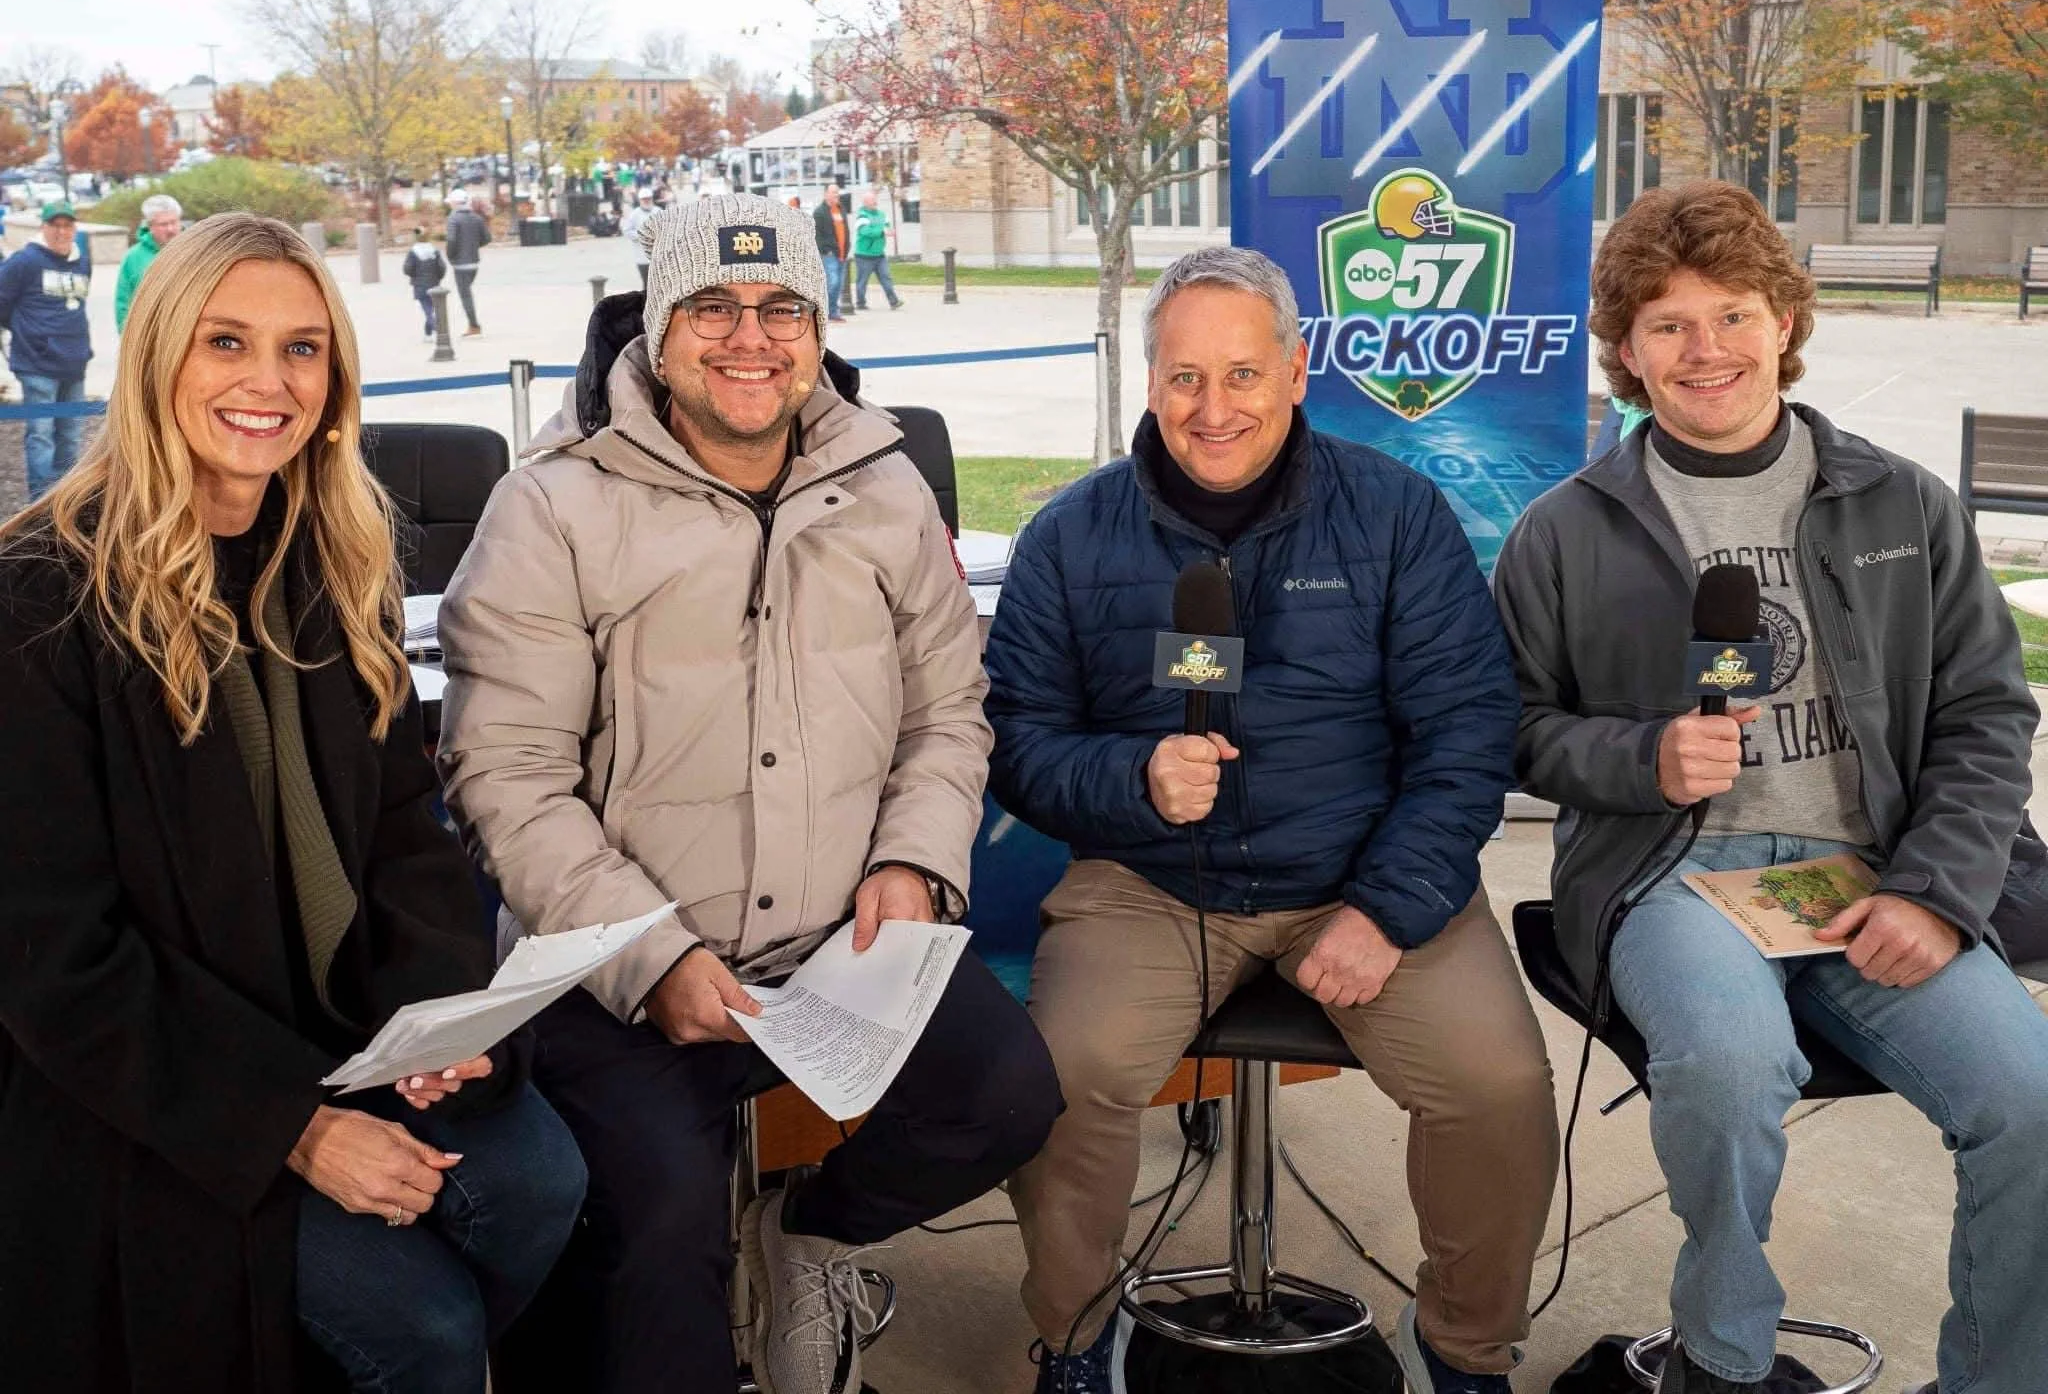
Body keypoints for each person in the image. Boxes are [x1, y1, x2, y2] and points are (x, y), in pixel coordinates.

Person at [437, 192, 1062, 1394]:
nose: (750, 337)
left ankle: (811, 1235)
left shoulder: (884, 490)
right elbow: (506, 776)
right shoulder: (551, 507)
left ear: (818, 326)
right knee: (655, 1244)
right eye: (712, 306)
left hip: (842, 944)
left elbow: (946, 714)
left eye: (782, 307)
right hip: (615, 968)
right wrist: (647, 957)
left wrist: (913, 863)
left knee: (1005, 1100)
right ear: (657, 331)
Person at [0, 212, 586, 1394]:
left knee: (541, 1184)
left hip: (345, 1031)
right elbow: (54, 959)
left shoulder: (331, 565)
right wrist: (295, 1130)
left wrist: (435, 1023)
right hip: (155, 1087)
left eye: (303, 349)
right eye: (227, 343)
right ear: (160, 356)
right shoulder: (39, 604)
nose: (269, 381)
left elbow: (398, 831)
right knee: (417, 1326)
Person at [1492, 181, 2048, 1394]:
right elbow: (1513, 733)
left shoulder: (1900, 502)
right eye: (1669, 326)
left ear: (1784, 323)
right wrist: (1639, 757)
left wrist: (1938, 893)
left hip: (1874, 875)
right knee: (1728, 1068)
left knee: (2032, 1100)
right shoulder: (1561, 531)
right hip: (1672, 880)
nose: (1707, 352)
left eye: (1733, 315)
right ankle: (1722, 1358)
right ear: (1626, 353)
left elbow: (1986, 715)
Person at [986, 245, 1559, 1394]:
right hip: (1147, 885)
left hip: (1361, 874)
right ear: (1149, 382)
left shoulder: (1395, 514)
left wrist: (1386, 909)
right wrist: (1132, 777)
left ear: (1296, 373)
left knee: (1496, 1086)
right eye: (1184, 377)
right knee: (1060, 1075)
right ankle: (1074, 1339)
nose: (1212, 409)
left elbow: (1464, 732)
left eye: (1242, 375)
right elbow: (1018, 744)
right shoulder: (1068, 536)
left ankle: (1461, 1351)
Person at [0, 199, 94, 499]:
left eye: (67, 225)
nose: (61, 231)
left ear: (74, 228)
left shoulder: (82, 260)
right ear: (44, 227)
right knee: (41, 436)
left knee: (70, 435)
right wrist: (30, 333)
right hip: (36, 364)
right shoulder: (24, 261)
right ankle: (40, 504)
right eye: (55, 225)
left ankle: (65, 501)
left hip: (74, 363)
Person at [114, 192, 184, 332]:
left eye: (174, 222)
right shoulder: (133, 258)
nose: (170, 229)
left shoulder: (195, 249)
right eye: (163, 224)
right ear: (150, 226)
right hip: (150, 336)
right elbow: (123, 304)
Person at [442, 190, 489, 337]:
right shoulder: (476, 218)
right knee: (467, 291)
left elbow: (452, 240)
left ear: (455, 203)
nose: (450, 205)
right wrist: (473, 246)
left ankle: (474, 325)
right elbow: (486, 238)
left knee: (465, 295)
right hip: (474, 262)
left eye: (451, 202)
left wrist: (450, 256)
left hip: (460, 264)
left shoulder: (453, 219)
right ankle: (473, 324)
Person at [852, 188, 902, 311]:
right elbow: (865, 231)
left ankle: (894, 301)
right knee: (862, 281)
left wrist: (888, 231)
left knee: (886, 277)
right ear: (865, 202)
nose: (875, 202)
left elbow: (887, 227)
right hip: (864, 255)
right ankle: (860, 302)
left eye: (875, 199)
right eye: (872, 200)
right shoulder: (862, 216)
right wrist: (882, 231)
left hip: (879, 254)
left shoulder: (882, 215)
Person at [812, 180, 850, 322]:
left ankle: (833, 312)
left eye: (837, 192)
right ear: (826, 194)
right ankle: (824, 311)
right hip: (829, 254)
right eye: (833, 192)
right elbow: (817, 235)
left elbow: (845, 230)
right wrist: (826, 250)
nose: (836, 195)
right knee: (832, 282)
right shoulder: (819, 212)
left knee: (839, 285)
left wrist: (846, 249)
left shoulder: (841, 209)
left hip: (842, 254)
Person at [401, 225, 447, 339]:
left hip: (420, 285)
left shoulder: (413, 252)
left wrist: (413, 276)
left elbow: (407, 269)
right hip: (434, 283)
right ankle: (428, 333)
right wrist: (438, 277)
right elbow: (442, 267)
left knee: (428, 309)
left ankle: (436, 327)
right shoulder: (434, 251)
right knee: (432, 308)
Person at [620, 188, 659, 287]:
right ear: (640, 200)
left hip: (658, 255)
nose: (646, 201)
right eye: (644, 199)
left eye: (648, 199)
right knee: (647, 283)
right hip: (642, 256)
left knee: (659, 284)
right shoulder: (634, 214)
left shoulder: (658, 211)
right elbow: (627, 231)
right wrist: (642, 236)